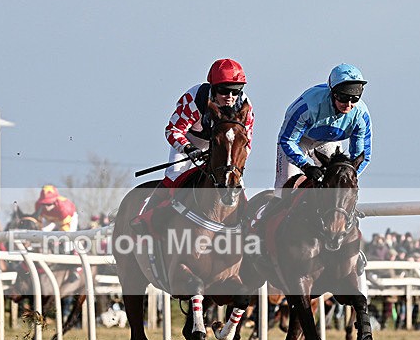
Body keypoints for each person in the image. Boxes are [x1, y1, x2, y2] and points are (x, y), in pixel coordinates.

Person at [130, 58, 254, 235]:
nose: (230, 97)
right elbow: (172, 130)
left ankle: (247, 226)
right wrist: (188, 148)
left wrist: (232, 162)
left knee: (237, 181)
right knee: (175, 175)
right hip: (189, 140)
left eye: (236, 91)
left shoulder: (245, 107)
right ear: (213, 87)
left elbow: (246, 142)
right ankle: (147, 218)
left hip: (221, 146)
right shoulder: (194, 99)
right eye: (224, 91)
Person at [275, 63, 372, 193]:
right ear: (332, 92)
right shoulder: (306, 107)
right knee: (284, 188)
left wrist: (348, 177)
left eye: (354, 98)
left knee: (339, 185)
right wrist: (305, 166)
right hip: (298, 141)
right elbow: (287, 141)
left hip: (328, 142)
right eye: (343, 98)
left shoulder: (361, 116)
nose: (348, 105)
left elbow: (361, 156)